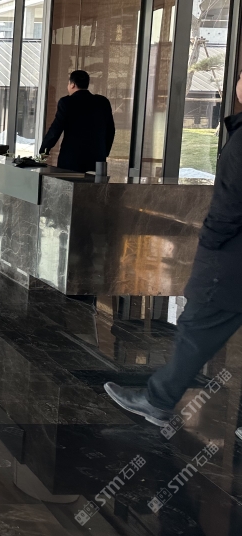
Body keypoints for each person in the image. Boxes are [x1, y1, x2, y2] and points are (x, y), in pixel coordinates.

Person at [105, 72, 242, 427]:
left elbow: (229, 207)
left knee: (197, 327)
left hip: (230, 259)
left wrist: (208, 244)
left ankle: (157, 400)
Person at [39, 70, 115, 172]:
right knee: (94, 183)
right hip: (97, 161)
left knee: (68, 182)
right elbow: (110, 130)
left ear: (73, 85)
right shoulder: (102, 102)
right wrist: (104, 152)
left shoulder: (67, 102)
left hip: (71, 160)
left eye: (68, 84)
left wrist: (43, 153)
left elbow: (55, 130)